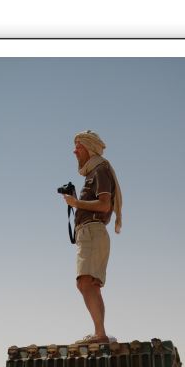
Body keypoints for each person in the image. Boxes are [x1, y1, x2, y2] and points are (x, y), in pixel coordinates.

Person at [62, 130, 122, 343]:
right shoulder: (94, 172)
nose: (74, 151)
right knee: (86, 283)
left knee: (86, 282)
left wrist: (76, 203)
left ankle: (100, 334)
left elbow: (104, 205)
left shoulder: (100, 170)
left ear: (89, 148)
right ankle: (100, 333)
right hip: (89, 233)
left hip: (92, 232)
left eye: (78, 146)